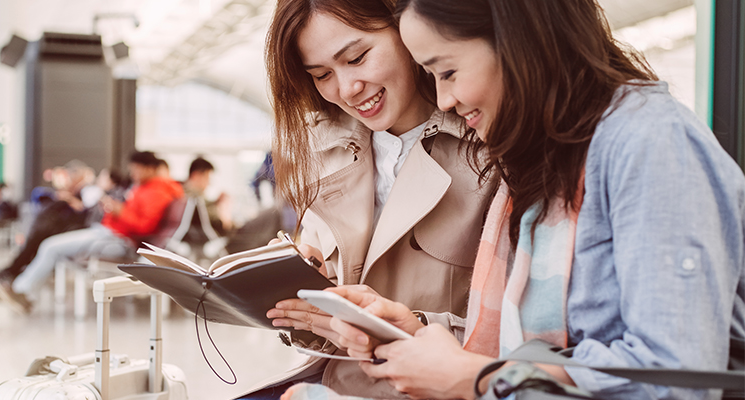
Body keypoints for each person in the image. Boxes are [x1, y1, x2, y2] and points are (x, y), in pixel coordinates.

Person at [278, 0, 745, 398]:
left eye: (448, 71)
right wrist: (416, 331)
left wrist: (475, 378)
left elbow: (675, 377)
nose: (442, 100)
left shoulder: (651, 143)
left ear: (518, 42)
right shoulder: (541, 162)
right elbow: (523, 343)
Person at [238, 0, 498, 397]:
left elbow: (511, 338)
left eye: (357, 58)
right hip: (335, 379)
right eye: (322, 74)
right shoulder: (323, 149)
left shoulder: (488, 149)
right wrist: (305, 295)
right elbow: (332, 341)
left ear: (407, 28)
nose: (346, 89)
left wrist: (413, 326)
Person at [0, 151, 184, 314]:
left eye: (136, 169)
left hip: (116, 241)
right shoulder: (145, 188)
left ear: (149, 168)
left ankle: (22, 292)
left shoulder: (157, 192)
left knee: (50, 246)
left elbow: (145, 228)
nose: (132, 173)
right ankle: (22, 291)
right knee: (49, 244)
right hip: (107, 233)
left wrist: (119, 211)